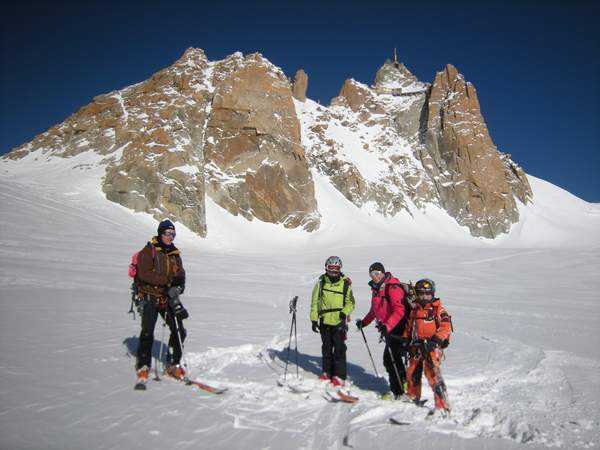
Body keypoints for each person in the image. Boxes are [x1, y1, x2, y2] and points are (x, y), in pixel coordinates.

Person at [134, 219, 188, 385]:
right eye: (167, 233)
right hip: (150, 297)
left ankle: (173, 363)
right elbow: (144, 274)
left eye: (172, 234)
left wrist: (179, 287)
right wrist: (168, 281)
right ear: (160, 233)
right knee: (147, 332)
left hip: (167, 299)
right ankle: (143, 364)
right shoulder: (149, 251)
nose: (170, 237)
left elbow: (181, 275)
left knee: (179, 330)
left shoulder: (174, 254)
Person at [355, 262, 409, 400]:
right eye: (372, 274)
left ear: (383, 273)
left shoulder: (393, 287)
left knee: (391, 359)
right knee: (393, 359)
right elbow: (375, 310)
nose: (375, 277)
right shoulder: (376, 289)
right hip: (389, 329)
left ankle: (397, 391)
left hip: (398, 328)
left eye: (377, 273)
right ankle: (403, 383)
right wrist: (364, 322)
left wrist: (388, 326)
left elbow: (400, 310)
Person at [403, 278, 452, 415]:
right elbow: (409, 326)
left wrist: (435, 340)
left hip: (432, 346)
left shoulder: (438, 309)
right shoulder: (415, 310)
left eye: (428, 294)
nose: (425, 297)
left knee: (432, 374)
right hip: (417, 346)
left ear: (432, 294)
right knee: (412, 371)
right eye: (422, 294)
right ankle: (413, 395)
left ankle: (442, 404)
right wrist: (405, 340)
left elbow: (446, 326)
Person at [310, 256, 355, 387]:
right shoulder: (320, 284)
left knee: (339, 349)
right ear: (326, 269)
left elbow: (351, 302)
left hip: (339, 321)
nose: (333, 273)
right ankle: (327, 372)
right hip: (324, 321)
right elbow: (314, 303)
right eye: (331, 270)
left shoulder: (345, 284)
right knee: (326, 348)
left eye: (336, 271)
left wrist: (344, 312)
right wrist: (314, 319)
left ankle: (339, 376)